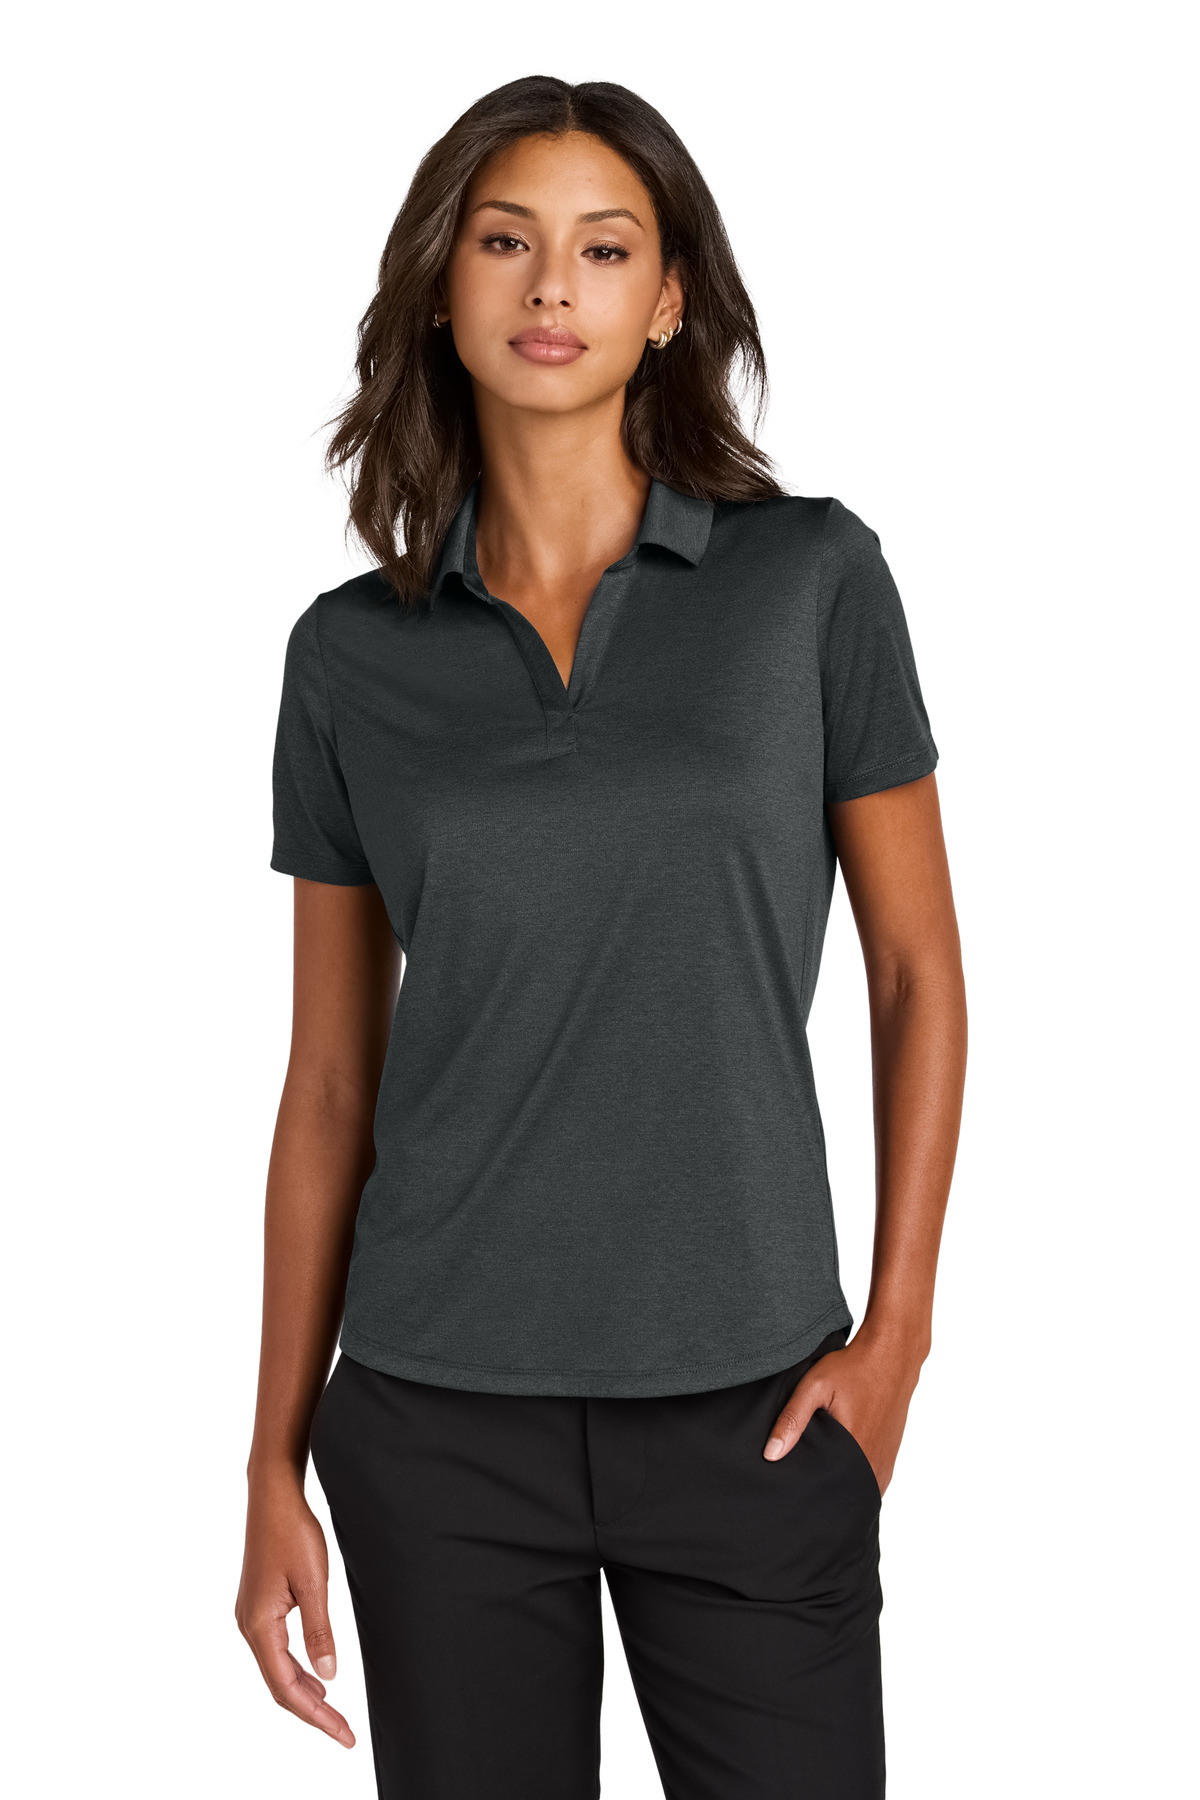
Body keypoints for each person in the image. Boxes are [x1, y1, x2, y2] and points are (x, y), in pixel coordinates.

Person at [235, 74, 967, 1800]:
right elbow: (330, 1083)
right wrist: (272, 1460)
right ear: (442, 286)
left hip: (757, 1407)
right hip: (434, 1418)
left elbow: (917, 973)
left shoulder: (810, 584)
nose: (553, 285)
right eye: (506, 242)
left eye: (605, 248)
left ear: (669, 301)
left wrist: (900, 1335)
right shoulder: (352, 657)